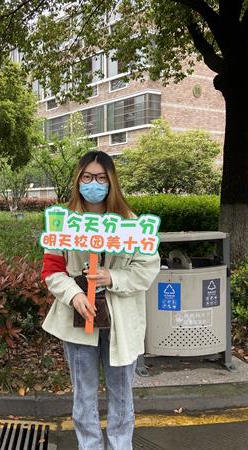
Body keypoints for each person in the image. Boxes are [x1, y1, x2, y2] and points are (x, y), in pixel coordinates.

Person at [41, 151, 160, 450]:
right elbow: (52, 270)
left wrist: (112, 277)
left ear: (111, 182)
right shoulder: (63, 221)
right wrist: (74, 295)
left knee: (121, 394)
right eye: (87, 177)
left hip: (121, 321)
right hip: (80, 318)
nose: (93, 183)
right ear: (78, 180)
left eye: (100, 178)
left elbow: (146, 269)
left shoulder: (132, 224)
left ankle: (121, 445)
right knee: (83, 395)